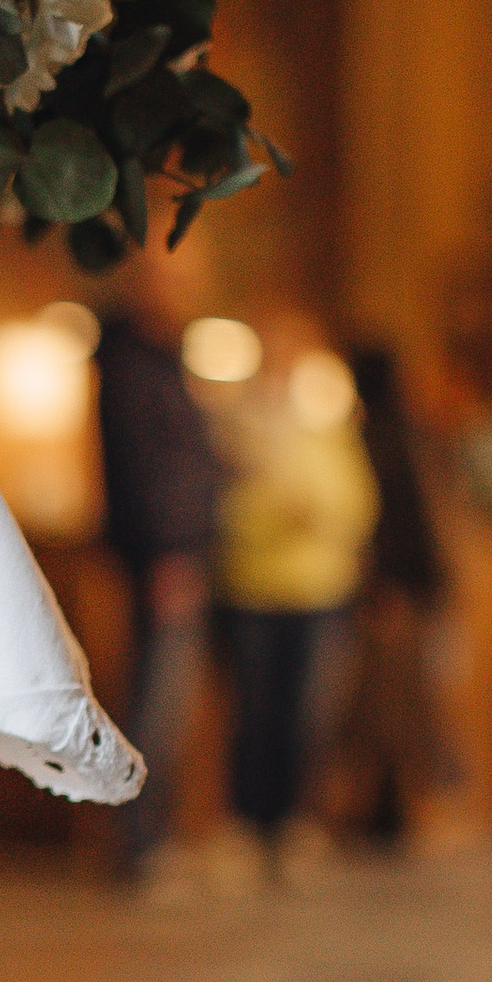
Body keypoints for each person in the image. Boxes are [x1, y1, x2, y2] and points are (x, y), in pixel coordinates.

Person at [209, 308, 378, 881]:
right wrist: (269, 512)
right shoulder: (236, 422)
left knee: (306, 711)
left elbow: (356, 500)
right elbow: (223, 506)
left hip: (317, 586)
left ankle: (296, 823)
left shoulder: (326, 418)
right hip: (253, 583)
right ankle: (247, 824)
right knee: (253, 711)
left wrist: (316, 510)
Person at [95, 255, 222, 887]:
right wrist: (169, 551)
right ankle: (140, 848)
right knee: (156, 704)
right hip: (163, 556)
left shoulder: (157, 359)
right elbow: (149, 469)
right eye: (175, 283)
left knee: (169, 701)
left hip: (179, 550)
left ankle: (154, 839)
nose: (186, 294)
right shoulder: (131, 363)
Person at [324, 342, 461, 848]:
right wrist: (393, 586)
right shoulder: (387, 437)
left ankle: (392, 811)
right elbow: (393, 522)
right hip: (393, 593)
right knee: (387, 709)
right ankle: (381, 811)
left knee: (393, 705)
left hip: (395, 591)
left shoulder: (378, 435)